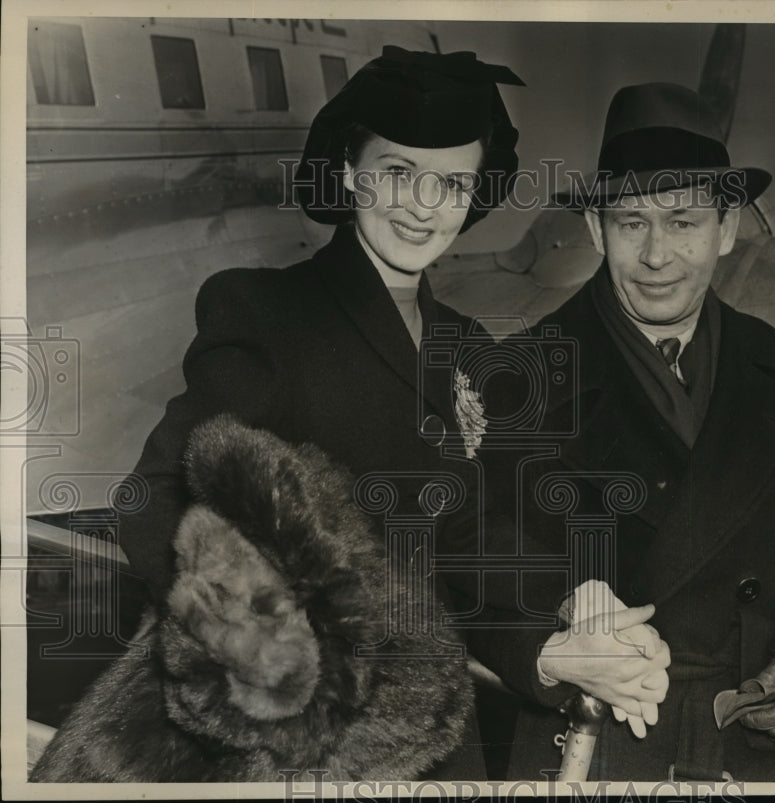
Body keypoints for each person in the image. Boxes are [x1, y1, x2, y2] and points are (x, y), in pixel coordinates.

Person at [114, 45, 525, 780]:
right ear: (347, 171)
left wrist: (557, 635)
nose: (425, 206)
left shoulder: (466, 345)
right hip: (295, 749)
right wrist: (259, 653)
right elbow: (151, 500)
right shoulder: (269, 312)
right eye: (399, 172)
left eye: (453, 183)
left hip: (436, 738)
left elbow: (474, 544)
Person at [467, 82, 775, 782]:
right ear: (598, 230)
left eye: (684, 221)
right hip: (599, 744)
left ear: (728, 229)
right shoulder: (521, 378)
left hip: (762, 742)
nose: (657, 254)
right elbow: (475, 576)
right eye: (632, 223)